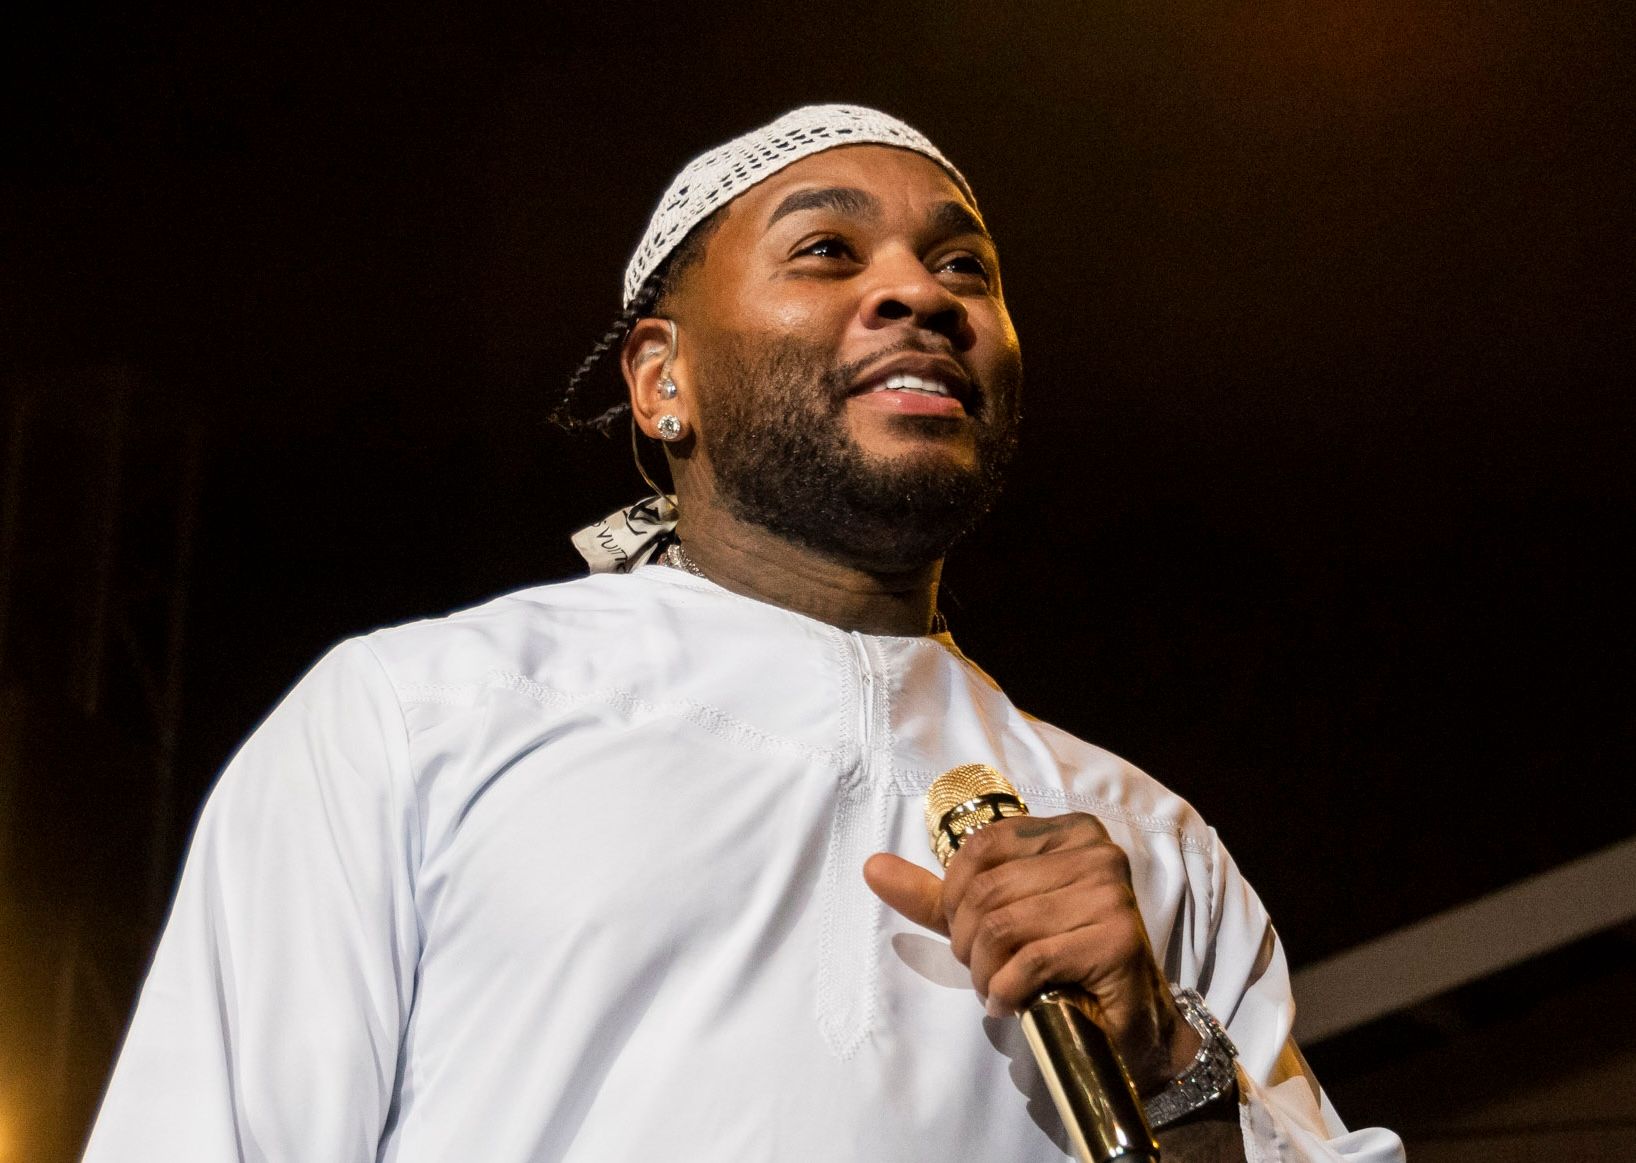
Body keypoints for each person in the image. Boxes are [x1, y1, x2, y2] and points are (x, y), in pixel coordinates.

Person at [84, 105, 1403, 1162]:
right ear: (663, 380)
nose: (920, 292)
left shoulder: (1151, 846)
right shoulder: (424, 716)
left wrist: (1169, 1067)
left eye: (964, 267)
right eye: (828, 250)